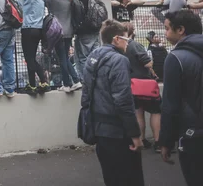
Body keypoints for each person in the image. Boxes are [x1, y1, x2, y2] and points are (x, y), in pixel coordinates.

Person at [80, 19, 144, 186]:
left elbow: (86, 93)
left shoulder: (92, 57)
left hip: (99, 129)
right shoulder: (119, 60)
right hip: (118, 132)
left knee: (111, 177)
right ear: (117, 39)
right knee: (131, 178)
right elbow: (123, 101)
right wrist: (135, 135)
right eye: (126, 39)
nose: (128, 44)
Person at [159, 10, 203, 186]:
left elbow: (170, 105)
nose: (165, 33)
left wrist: (166, 142)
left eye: (167, 28)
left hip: (193, 135)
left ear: (181, 30)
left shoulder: (175, 58)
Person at [124, 22, 161, 151]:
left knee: (138, 113)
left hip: (131, 84)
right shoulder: (134, 45)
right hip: (145, 83)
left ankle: (141, 140)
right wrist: (151, 63)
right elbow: (147, 63)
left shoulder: (119, 47)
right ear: (132, 31)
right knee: (156, 112)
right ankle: (158, 142)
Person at [46, 0, 82, 93]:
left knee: (62, 59)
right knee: (64, 57)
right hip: (69, 32)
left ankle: (69, 83)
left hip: (58, 32)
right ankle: (74, 81)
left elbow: (41, 3)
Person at [18, 0, 50, 95]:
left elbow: (15, 2)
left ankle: (43, 81)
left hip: (28, 29)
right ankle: (32, 85)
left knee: (29, 59)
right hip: (38, 29)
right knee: (31, 57)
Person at [72, 0, 103, 81]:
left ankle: (86, 82)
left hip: (84, 30)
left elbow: (78, 10)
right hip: (95, 28)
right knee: (95, 57)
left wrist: (76, 26)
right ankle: (98, 80)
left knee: (82, 57)